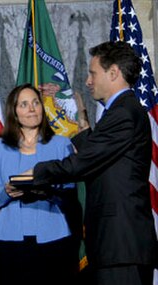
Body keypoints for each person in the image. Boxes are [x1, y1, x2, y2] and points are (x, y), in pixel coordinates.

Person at [32, 41, 158, 285]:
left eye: (93, 73)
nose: (88, 81)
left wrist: (36, 173)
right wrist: (82, 123)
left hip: (121, 244)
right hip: (116, 246)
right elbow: (102, 159)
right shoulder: (122, 111)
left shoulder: (123, 112)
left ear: (113, 73)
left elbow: (82, 163)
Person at [0, 83, 81, 285]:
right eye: (25, 104)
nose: (32, 109)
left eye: (36, 103)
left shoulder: (61, 144)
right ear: (14, 111)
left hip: (54, 237)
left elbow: (71, 192)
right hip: (9, 241)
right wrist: (7, 191)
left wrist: (47, 191)